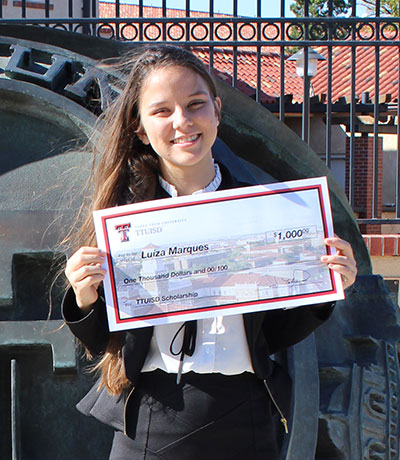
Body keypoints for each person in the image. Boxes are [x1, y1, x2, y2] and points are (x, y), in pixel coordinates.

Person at [62, 44, 357, 460]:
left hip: (245, 416)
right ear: (140, 129)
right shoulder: (122, 217)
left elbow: (274, 334)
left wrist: (327, 284)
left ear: (217, 110)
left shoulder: (268, 211)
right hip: (150, 418)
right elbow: (105, 340)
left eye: (195, 104)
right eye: (162, 111)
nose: (182, 121)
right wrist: (84, 297)